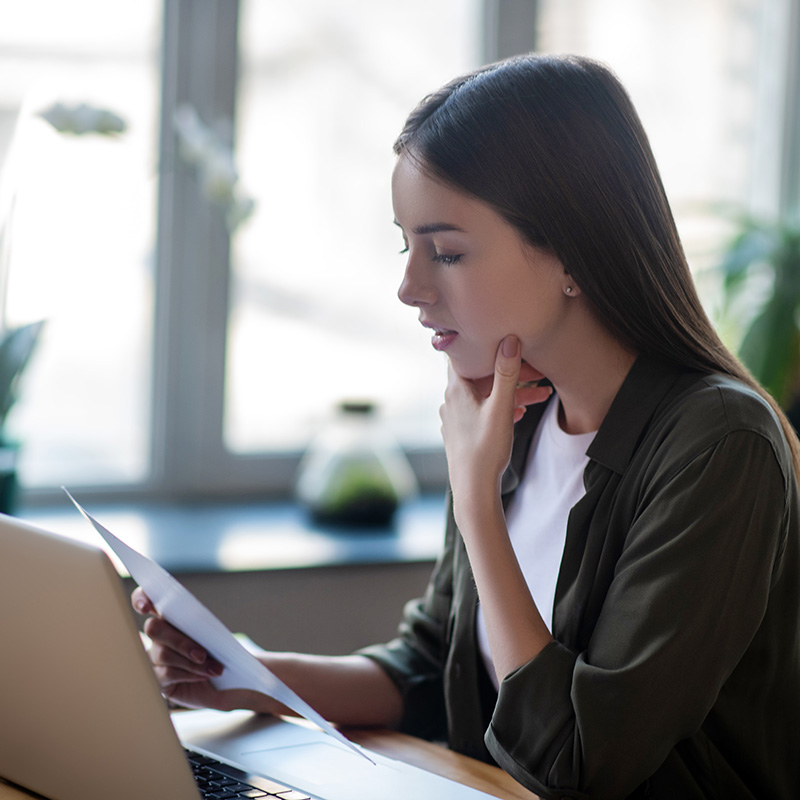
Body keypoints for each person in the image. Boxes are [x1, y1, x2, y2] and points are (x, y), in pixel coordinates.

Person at [133, 54, 800, 799]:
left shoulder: (719, 444)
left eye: (446, 252)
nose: (410, 287)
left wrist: (477, 501)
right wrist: (242, 679)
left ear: (571, 249)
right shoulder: (513, 410)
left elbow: (583, 764)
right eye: (407, 246)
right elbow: (434, 666)